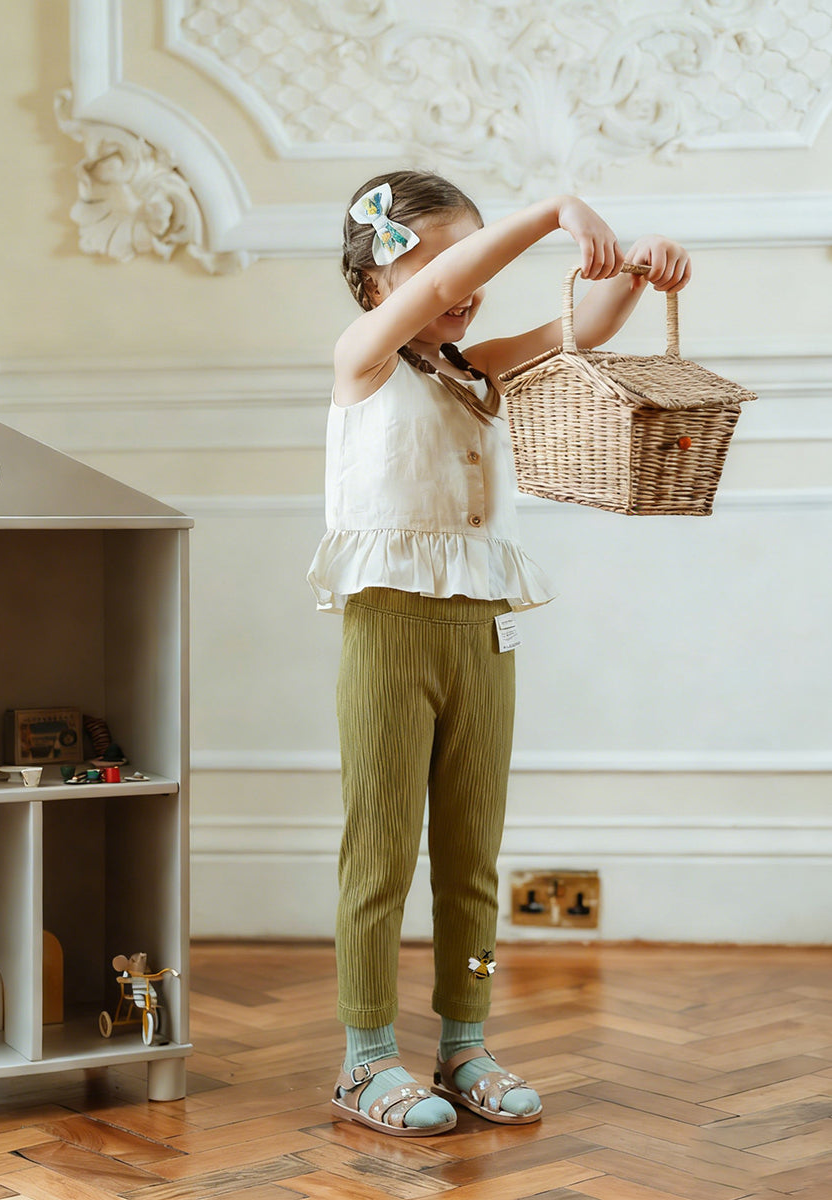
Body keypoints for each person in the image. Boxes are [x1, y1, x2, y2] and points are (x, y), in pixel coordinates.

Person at [307, 171, 691, 1137]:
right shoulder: (364, 357)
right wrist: (555, 211)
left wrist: (636, 272)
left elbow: (579, 333)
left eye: (471, 258)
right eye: (438, 258)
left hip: (485, 631)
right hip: (390, 630)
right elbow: (438, 290)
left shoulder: (476, 373)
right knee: (379, 858)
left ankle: (464, 1038)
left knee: (473, 861)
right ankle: (365, 1056)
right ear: (373, 279)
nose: (463, 283)